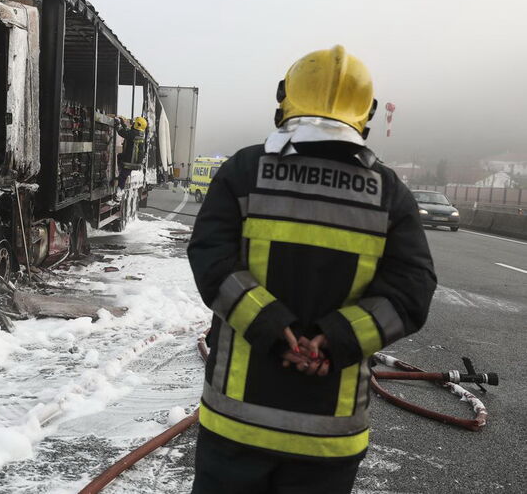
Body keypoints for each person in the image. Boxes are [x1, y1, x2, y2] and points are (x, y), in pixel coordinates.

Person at [187, 46, 436, 494]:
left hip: (237, 424)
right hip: (329, 435)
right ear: (367, 114)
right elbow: (411, 291)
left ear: (285, 99)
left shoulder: (245, 172)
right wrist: (334, 340)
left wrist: (271, 326)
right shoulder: (388, 194)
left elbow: (211, 258)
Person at [112, 115, 148, 202]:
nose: (133, 123)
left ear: (138, 124)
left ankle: (119, 193)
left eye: (135, 122)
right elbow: (128, 132)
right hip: (133, 161)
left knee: (123, 176)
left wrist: (118, 125)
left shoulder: (134, 134)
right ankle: (118, 176)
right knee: (119, 157)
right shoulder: (139, 133)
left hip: (130, 161)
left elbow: (123, 133)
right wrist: (123, 123)